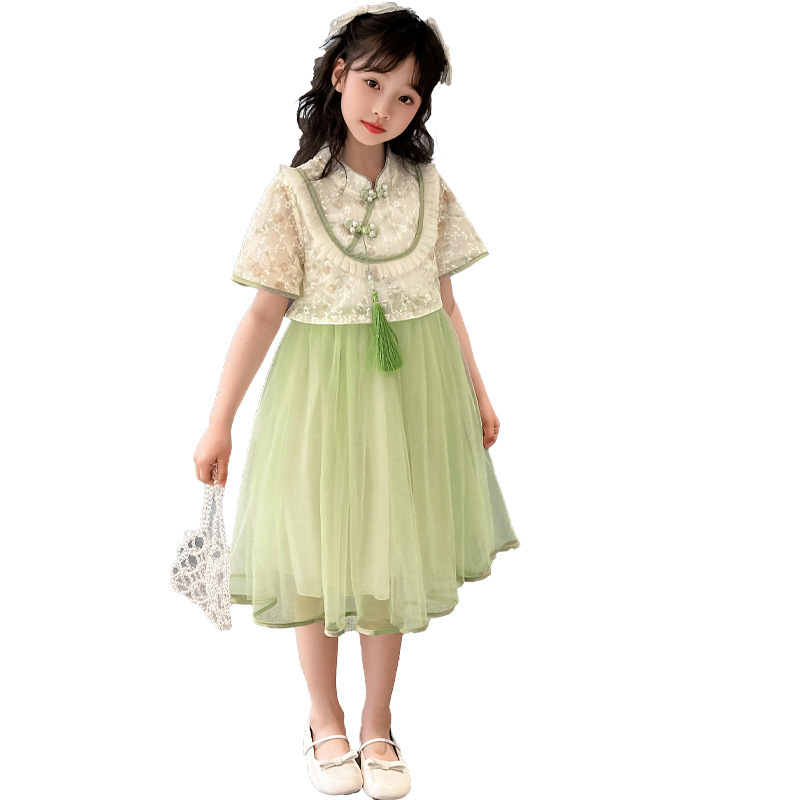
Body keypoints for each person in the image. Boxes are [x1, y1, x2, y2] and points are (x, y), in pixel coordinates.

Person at [193, 4, 520, 797]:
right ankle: (324, 715)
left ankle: (379, 720)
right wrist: (218, 421)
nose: (385, 108)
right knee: (314, 549)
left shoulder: (427, 188)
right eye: (374, 84)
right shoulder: (294, 193)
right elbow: (263, 314)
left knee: (386, 549)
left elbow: (446, 303)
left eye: (407, 96)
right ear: (339, 76)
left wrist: (478, 393)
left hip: (411, 397)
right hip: (319, 397)